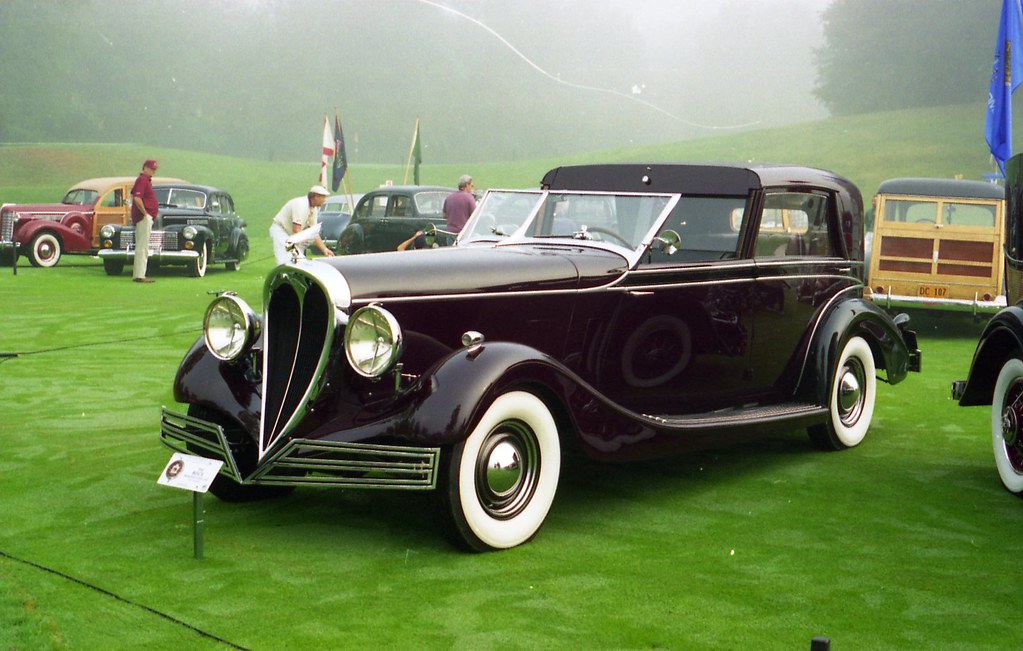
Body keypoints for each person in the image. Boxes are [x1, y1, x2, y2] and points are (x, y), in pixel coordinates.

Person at [269, 185, 335, 264]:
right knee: (285, 260)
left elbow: (314, 233)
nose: (324, 200)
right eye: (323, 197)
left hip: (291, 235)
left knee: (299, 260)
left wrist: (325, 250)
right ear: (315, 197)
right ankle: (281, 275)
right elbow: (296, 230)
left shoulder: (313, 209)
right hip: (281, 231)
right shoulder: (300, 205)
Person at [130, 159, 159, 283]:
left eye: (154, 169)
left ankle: (139, 274)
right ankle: (140, 275)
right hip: (143, 218)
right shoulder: (142, 180)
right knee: (143, 246)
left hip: (145, 217)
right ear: (145, 168)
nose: (153, 171)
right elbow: (137, 198)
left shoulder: (146, 181)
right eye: (151, 169)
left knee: (142, 246)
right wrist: (145, 213)